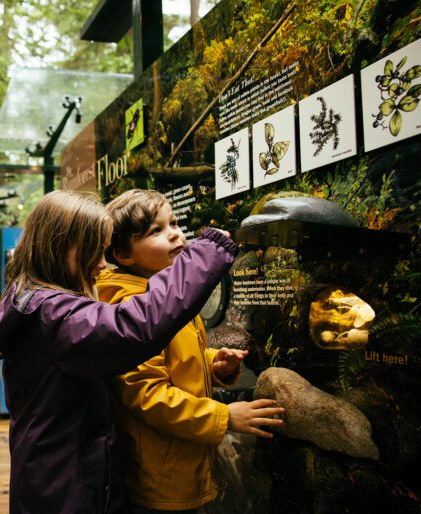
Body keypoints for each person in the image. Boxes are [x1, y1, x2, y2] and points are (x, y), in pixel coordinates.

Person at [0, 190, 239, 513]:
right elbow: (134, 327)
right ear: (63, 247)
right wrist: (207, 253)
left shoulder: (42, 305)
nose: (102, 265)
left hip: (67, 476)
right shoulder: (54, 316)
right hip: (66, 488)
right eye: (94, 252)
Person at [97, 189, 285, 514]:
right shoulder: (131, 309)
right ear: (124, 254)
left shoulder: (164, 293)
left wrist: (214, 364)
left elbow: (173, 361)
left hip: (183, 461)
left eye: (173, 222)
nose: (174, 234)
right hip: (159, 475)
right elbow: (147, 395)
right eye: (156, 231)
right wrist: (225, 418)